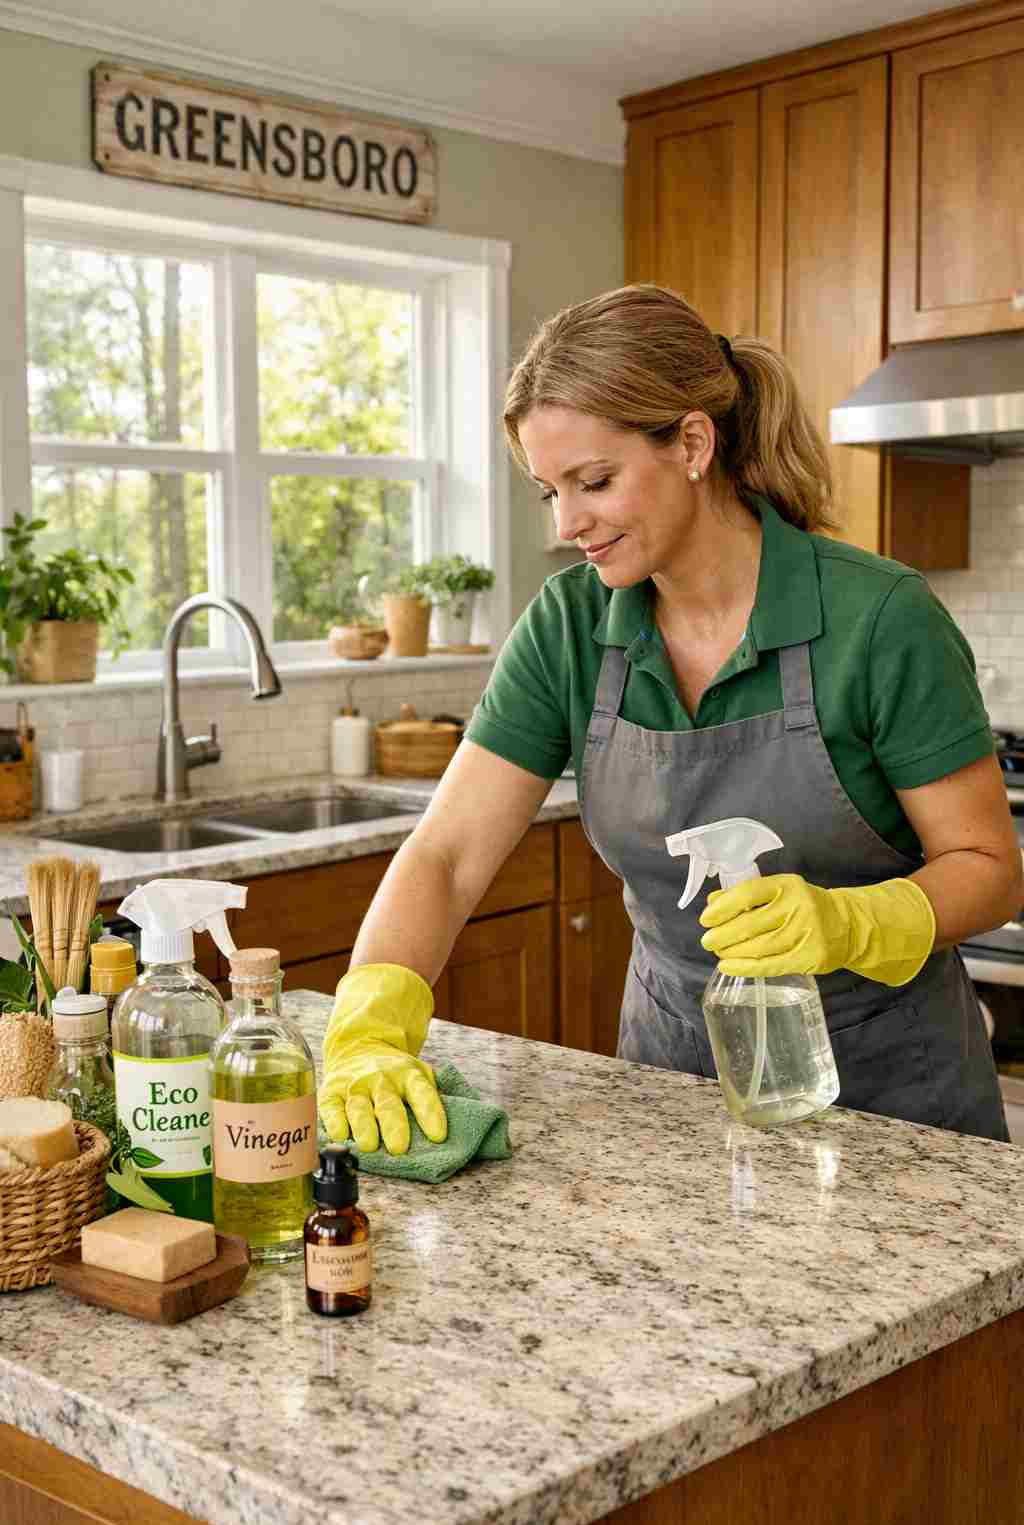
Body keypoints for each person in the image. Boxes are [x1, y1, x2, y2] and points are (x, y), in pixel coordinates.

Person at [318, 283, 1023, 1152]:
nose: (568, 522)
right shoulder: (570, 626)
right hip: (669, 1094)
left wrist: (854, 922)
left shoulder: (879, 618)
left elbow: (989, 867)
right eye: (549, 492)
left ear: (693, 442)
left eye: (595, 481)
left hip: (897, 1107)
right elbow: (448, 854)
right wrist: (371, 1021)